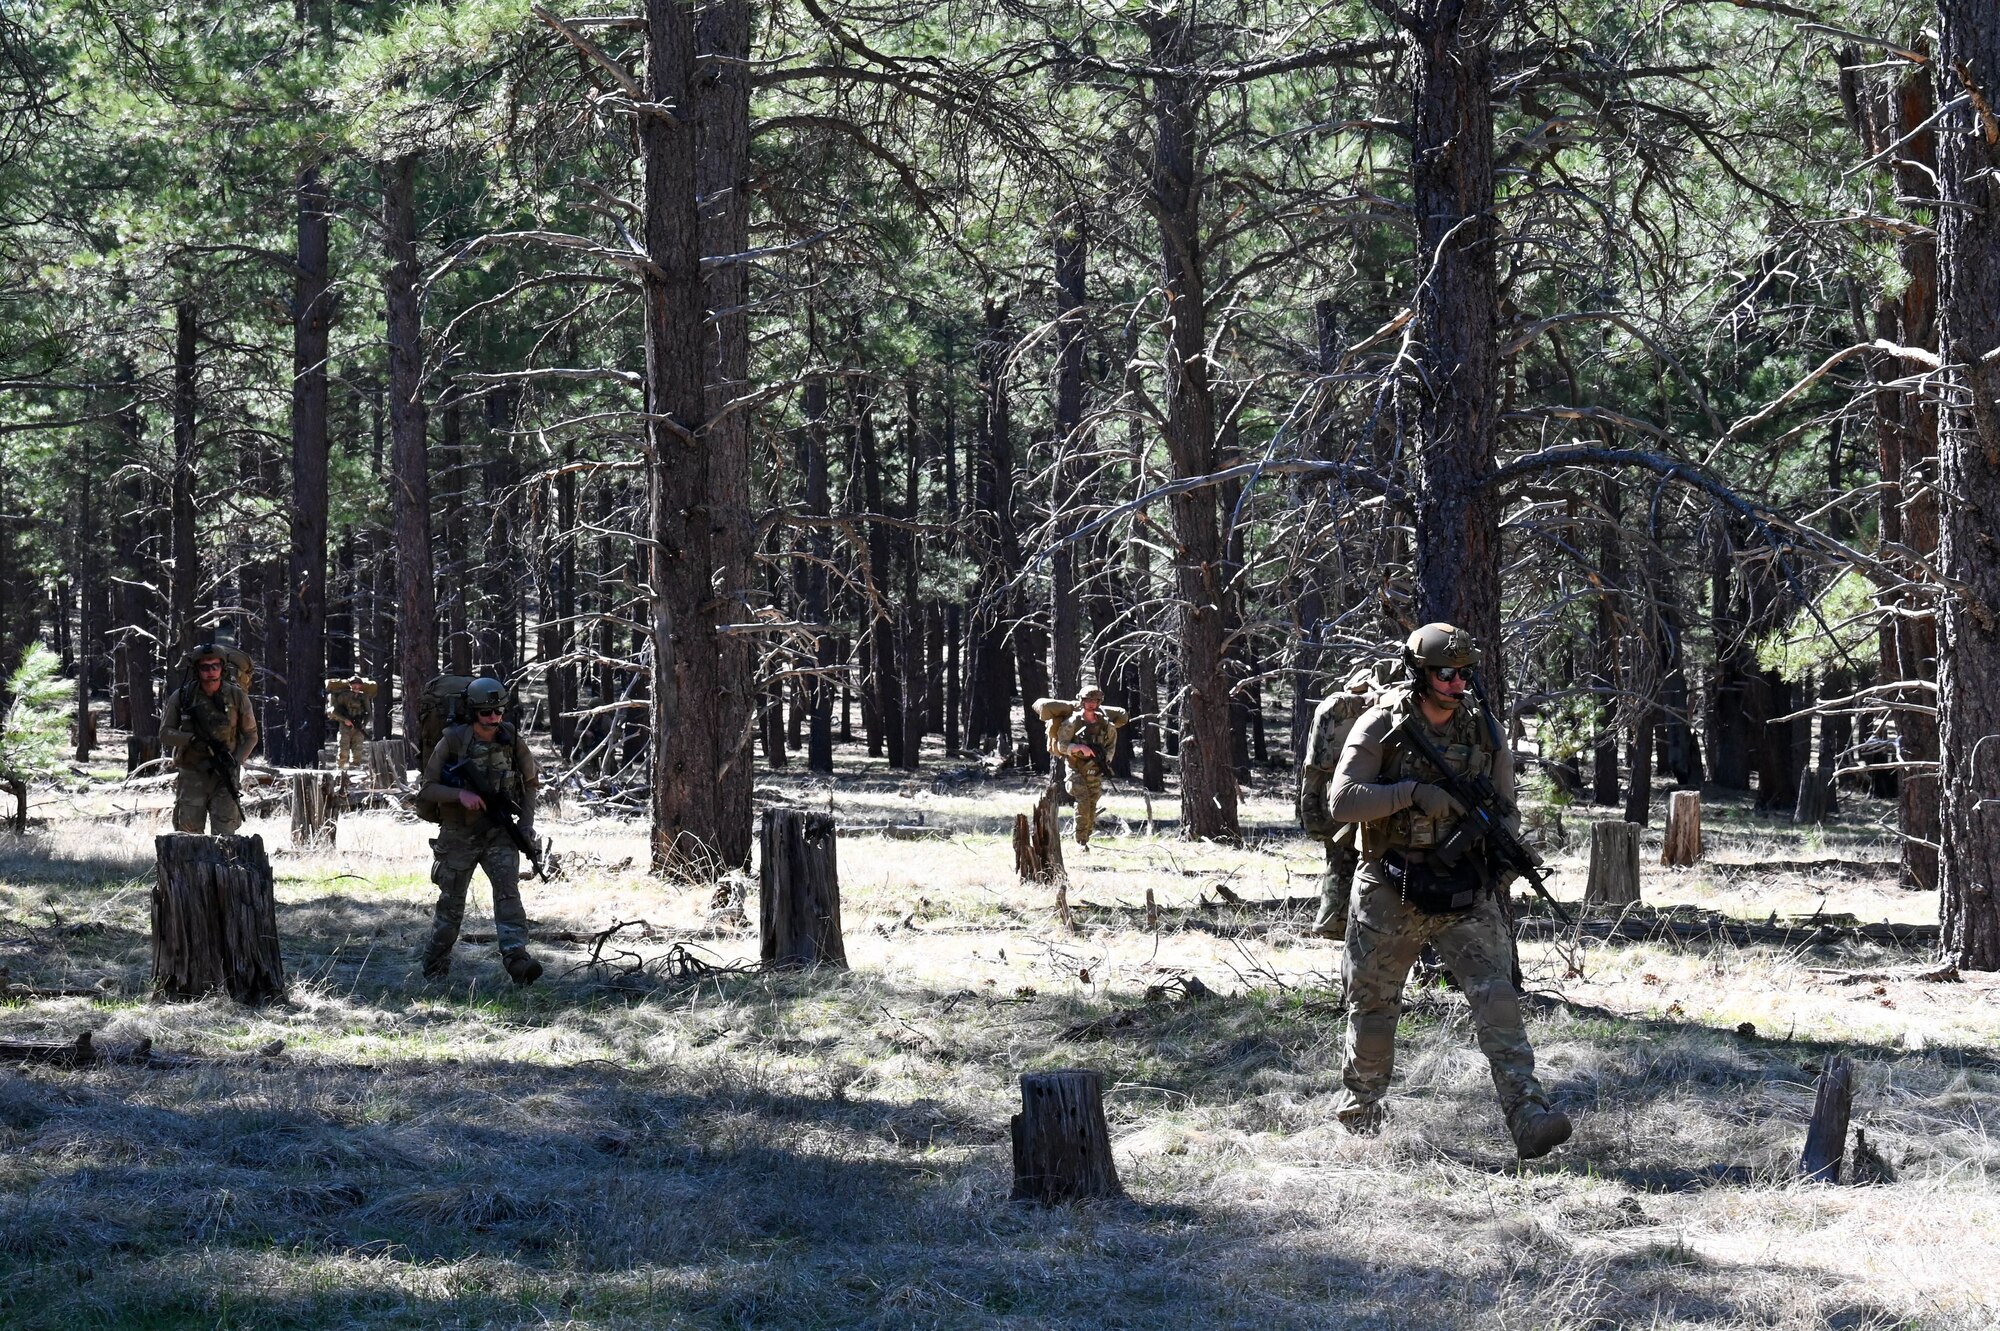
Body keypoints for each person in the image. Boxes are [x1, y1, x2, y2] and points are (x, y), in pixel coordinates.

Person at [1327, 623, 1571, 1159]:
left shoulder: (1484, 731)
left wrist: (1499, 857)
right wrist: (1411, 793)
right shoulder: (1381, 726)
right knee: (1373, 1007)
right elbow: (1341, 802)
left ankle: (1528, 1114)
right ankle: (1361, 1116)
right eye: (1446, 672)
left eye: (1465, 672)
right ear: (1420, 672)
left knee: (1499, 999)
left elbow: (1506, 806)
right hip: (1392, 885)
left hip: (1465, 888)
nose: (1458, 682)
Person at [415, 676, 543, 985]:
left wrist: (525, 824)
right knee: (451, 904)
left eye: (499, 711)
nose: (494, 718)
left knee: (508, 896)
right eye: (487, 712)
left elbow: (530, 783)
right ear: (473, 712)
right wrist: (460, 795)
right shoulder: (453, 740)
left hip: (499, 831)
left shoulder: (510, 738)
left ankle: (517, 960)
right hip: (459, 834)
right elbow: (428, 788)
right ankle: (435, 965)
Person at [1297, 662, 1394, 938]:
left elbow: (1314, 766)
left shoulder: (1338, 707)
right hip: (1363, 793)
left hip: (1335, 793)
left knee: (1339, 859)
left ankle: (1333, 922)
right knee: (1357, 861)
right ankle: (1339, 924)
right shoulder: (1380, 707)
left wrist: (1311, 811)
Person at [159, 643, 258, 835]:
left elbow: (251, 736)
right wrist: (191, 739)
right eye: (205, 667)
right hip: (192, 774)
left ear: (223, 667)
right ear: (197, 669)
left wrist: (234, 762)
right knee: (188, 834)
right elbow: (165, 734)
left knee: (225, 835)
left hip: (224, 775)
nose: (211, 671)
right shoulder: (182, 697)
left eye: (215, 666)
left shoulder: (236, 696)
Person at [1035, 685, 1130, 848]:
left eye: (1095, 700)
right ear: (1082, 701)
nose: (1091, 704)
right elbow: (1061, 746)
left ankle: (1087, 836)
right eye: (1088, 700)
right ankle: (1081, 841)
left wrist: (1103, 761)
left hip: (1096, 769)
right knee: (1083, 800)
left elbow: (1110, 747)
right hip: (1075, 767)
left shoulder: (1107, 724)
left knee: (1092, 803)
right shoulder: (1072, 722)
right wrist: (1079, 748)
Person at [326, 673, 375, 771]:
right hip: (345, 727)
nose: (356, 686)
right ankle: (339, 771)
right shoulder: (344, 696)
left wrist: (364, 724)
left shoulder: (363, 697)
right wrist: (345, 720)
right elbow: (334, 710)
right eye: (354, 684)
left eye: (358, 684)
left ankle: (354, 772)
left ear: (361, 685)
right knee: (343, 751)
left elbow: (369, 713)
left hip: (358, 727)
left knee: (357, 753)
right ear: (350, 685)